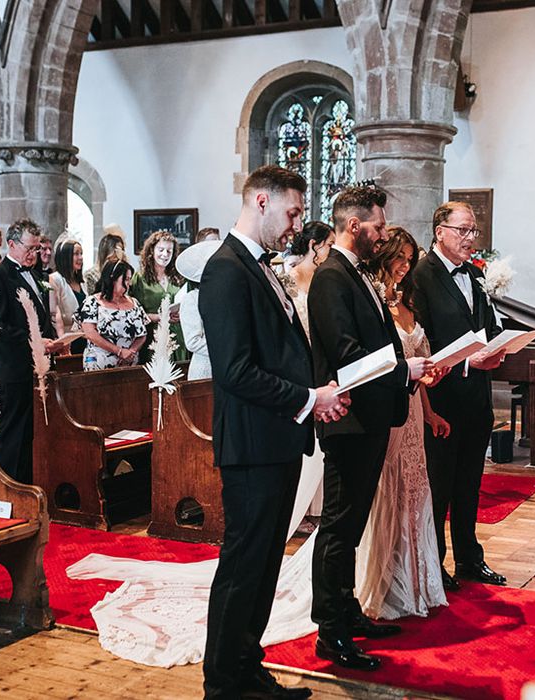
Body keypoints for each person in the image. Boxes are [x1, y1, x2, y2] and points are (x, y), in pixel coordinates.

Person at [198, 164, 350, 700]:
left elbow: (280, 352)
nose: (296, 225)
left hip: (277, 439)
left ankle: (247, 666)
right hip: (251, 444)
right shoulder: (226, 270)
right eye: (292, 212)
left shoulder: (260, 266)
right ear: (261, 202)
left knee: (264, 565)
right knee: (244, 566)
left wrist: (318, 391)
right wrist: (309, 399)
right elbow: (235, 370)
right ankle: (222, 684)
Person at [307, 185, 432, 671]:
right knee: (339, 528)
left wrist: (411, 368)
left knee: (353, 525)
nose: (383, 234)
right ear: (353, 225)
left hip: (372, 418)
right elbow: (346, 354)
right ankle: (330, 631)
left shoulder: (356, 274)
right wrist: (406, 372)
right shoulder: (331, 278)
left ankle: (347, 609)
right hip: (349, 421)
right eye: (378, 226)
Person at [355, 226, 450, 620]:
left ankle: (416, 580)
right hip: (388, 411)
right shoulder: (375, 303)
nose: (404, 266)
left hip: (413, 412)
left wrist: (429, 406)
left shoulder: (408, 302)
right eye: (399, 258)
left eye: (410, 260)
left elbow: (418, 368)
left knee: (415, 490)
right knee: (387, 490)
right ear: (383, 256)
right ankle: (381, 580)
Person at [412, 201, 507, 591]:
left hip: (476, 400)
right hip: (442, 398)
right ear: (440, 232)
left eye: (474, 232)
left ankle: (470, 559)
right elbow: (422, 341)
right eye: (464, 231)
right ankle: (436, 565)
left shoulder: (474, 274)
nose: (471, 239)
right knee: (440, 487)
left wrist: (498, 346)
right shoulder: (421, 275)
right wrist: (469, 364)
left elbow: (484, 326)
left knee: (469, 485)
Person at [0, 219, 63, 484]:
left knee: (33, 431)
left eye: (38, 248)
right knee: (14, 431)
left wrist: (49, 340)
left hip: (40, 364)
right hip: (15, 366)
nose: (35, 254)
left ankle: (31, 484)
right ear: (12, 244)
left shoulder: (37, 275)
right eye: (30, 248)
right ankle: (9, 486)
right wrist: (33, 340)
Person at [279, 221, 335, 521]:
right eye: (328, 245)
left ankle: (318, 508)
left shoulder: (325, 280)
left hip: (323, 368)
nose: (331, 251)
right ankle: (299, 511)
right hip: (298, 371)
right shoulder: (287, 281)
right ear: (314, 246)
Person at [79, 260, 150, 370]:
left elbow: (142, 334)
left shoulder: (134, 303)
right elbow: (90, 333)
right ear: (112, 278)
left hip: (128, 363)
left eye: (129, 279)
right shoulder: (92, 302)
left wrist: (131, 352)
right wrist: (119, 351)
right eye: (126, 279)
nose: (129, 284)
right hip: (99, 363)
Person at [131, 231, 187, 364]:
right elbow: (133, 313)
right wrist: (159, 317)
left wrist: (181, 313)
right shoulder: (140, 278)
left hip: (177, 337)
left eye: (169, 251)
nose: (165, 254)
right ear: (152, 250)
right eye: (161, 249)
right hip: (152, 338)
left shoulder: (179, 277)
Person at [175, 240, 221, 380]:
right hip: (205, 369)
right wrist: (225, 349)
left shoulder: (224, 297)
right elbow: (193, 341)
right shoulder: (192, 299)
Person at [49, 238, 87, 354]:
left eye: (81, 254)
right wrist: (63, 343)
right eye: (76, 254)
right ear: (65, 256)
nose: (80, 258)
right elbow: (56, 313)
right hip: (67, 338)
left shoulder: (82, 281)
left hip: (83, 337)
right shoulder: (55, 279)